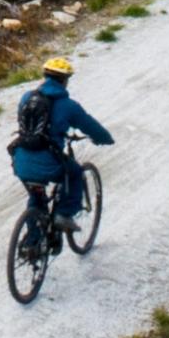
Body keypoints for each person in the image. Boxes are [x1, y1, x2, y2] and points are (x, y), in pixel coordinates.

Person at [8, 56, 113, 238]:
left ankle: (33, 244)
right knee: (75, 173)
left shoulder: (27, 98)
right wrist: (105, 138)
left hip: (20, 160)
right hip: (48, 162)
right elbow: (90, 126)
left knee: (37, 197)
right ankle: (64, 214)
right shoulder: (68, 106)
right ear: (65, 80)